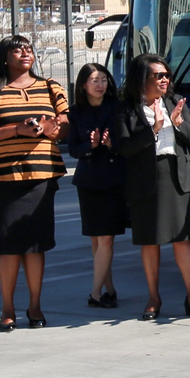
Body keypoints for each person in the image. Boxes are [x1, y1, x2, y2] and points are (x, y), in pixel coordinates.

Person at [0, 34, 69, 332]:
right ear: (4, 56)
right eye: (17, 50)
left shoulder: (50, 87)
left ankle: (35, 306)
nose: (25, 53)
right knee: (7, 246)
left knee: (35, 246)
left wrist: (52, 129)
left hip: (40, 177)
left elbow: (65, 126)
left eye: (28, 49)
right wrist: (16, 130)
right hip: (3, 177)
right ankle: (7, 308)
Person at [116, 53, 190, 321]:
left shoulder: (174, 101)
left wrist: (178, 124)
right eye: (158, 75)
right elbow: (124, 147)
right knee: (150, 241)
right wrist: (154, 130)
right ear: (141, 78)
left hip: (175, 176)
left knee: (182, 240)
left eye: (166, 75)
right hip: (145, 179)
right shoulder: (126, 109)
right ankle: (153, 298)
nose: (164, 80)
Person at [68, 63, 127, 309]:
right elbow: (73, 149)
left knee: (106, 239)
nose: (100, 85)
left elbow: (126, 142)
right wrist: (90, 146)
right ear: (84, 84)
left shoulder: (117, 107)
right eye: (95, 80)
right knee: (97, 240)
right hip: (88, 180)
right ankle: (107, 289)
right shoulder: (75, 112)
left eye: (104, 79)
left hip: (112, 179)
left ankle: (95, 293)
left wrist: (111, 144)